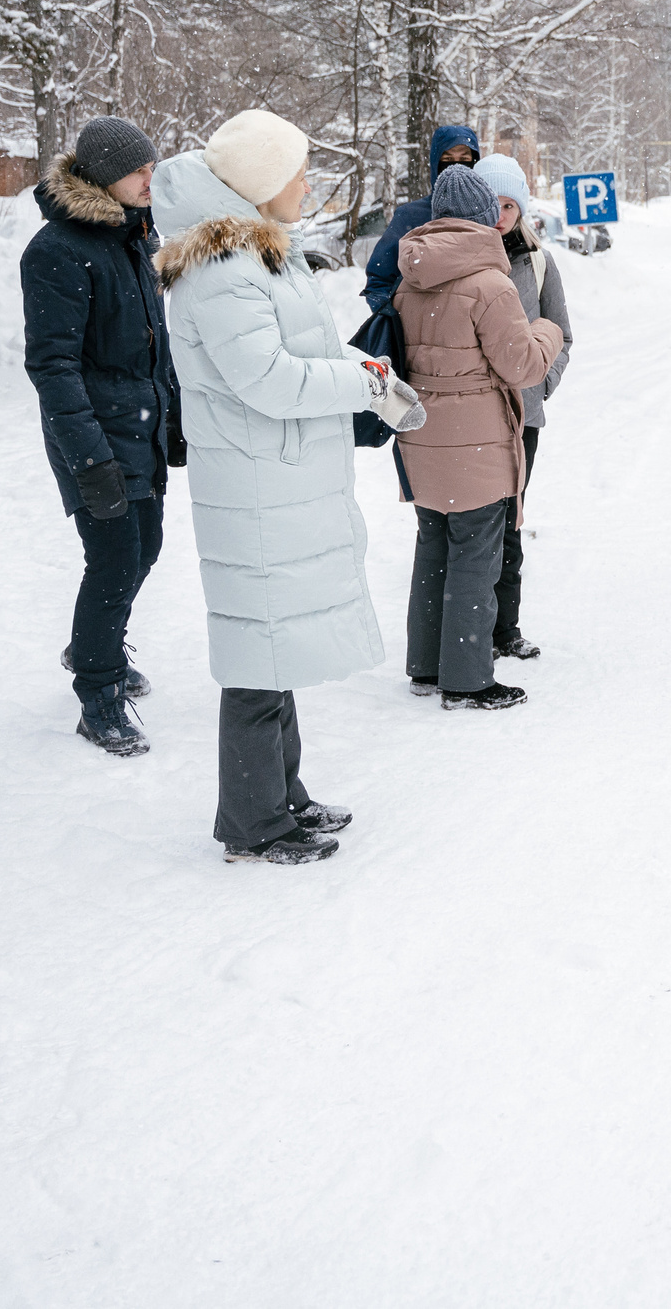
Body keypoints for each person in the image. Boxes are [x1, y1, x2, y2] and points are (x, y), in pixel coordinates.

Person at [151, 109, 422, 864]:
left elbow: (296, 350)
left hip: (278, 480)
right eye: (297, 172)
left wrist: (358, 375)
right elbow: (265, 379)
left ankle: (282, 795)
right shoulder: (221, 271)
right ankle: (252, 823)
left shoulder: (262, 257)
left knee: (276, 653)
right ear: (262, 184)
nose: (309, 184)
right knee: (257, 662)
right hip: (255, 489)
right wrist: (358, 385)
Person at [21, 116, 181, 756]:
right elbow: (51, 365)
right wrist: (89, 458)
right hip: (91, 433)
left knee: (145, 549)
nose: (151, 179)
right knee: (114, 559)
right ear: (104, 175)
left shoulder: (134, 237)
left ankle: (94, 644)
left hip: (140, 425)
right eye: (139, 170)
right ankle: (98, 693)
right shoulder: (57, 249)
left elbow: (155, 343)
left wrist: (173, 419)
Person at [393, 165, 565, 708]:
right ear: (485, 217)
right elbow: (521, 366)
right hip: (476, 444)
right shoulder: (490, 283)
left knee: (433, 550)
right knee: (476, 556)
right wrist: (548, 331)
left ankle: (425, 665)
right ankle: (467, 678)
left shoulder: (409, 278)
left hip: (421, 438)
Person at [471, 155, 572, 661]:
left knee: (509, 521)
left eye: (510, 205)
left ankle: (505, 630)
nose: (501, 214)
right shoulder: (465, 258)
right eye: (493, 203)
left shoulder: (538, 262)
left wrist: (541, 385)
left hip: (523, 417)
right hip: (473, 416)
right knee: (475, 527)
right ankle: (471, 630)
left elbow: (562, 332)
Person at [362, 124, 482, 314]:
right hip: (420, 334)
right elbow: (379, 279)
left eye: (464, 160)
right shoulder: (411, 215)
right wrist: (395, 322)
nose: (456, 167)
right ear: (435, 164)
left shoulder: (485, 215)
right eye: (448, 159)